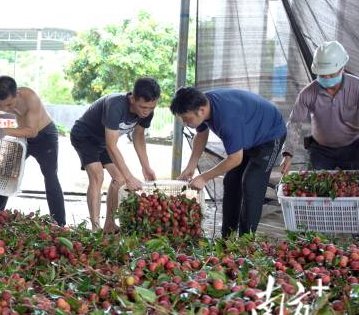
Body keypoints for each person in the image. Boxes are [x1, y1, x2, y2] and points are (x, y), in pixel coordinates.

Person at [171, 87, 286, 237]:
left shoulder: (227, 118)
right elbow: (201, 133)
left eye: (187, 119)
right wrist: (191, 166)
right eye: (183, 119)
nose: (185, 124)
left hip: (270, 135)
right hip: (249, 133)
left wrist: (204, 177)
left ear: (201, 110)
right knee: (231, 181)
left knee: (251, 184)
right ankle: (227, 237)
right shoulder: (202, 103)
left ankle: (246, 242)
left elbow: (235, 159)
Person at [70, 78, 160, 233]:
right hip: (85, 136)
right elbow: (112, 146)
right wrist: (130, 177)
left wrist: (146, 167)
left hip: (104, 141)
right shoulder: (115, 105)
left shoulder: (147, 112)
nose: (146, 111)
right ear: (132, 98)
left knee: (119, 179)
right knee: (98, 175)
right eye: (143, 107)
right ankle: (95, 228)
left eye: (151, 107)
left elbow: (138, 137)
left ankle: (109, 224)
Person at [0, 76, 66, 226]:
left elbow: (32, 131)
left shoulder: (30, 97)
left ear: (17, 93)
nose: (6, 109)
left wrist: (4, 131)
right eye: (0, 105)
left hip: (44, 135)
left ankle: (60, 224)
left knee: (50, 175)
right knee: (5, 172)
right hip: (21, 135)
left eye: (10, 104)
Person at [280, 40, 359, 173]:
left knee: (353, 189)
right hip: (321, 151)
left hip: (353, 148)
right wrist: (288, 153)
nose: (327, 78)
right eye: (322, 74)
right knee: (317, 188)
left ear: (342, 68)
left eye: (332, 74)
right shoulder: (308, 93)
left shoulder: (356, 88)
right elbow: (295, 123)